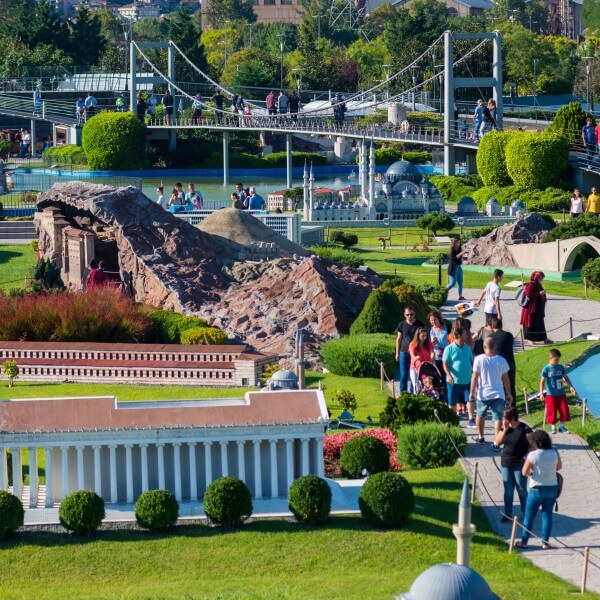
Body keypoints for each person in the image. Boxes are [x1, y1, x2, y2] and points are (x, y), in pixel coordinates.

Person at [516, 430, 561, 550]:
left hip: (537, 489)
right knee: (547, 515)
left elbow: (524, 472)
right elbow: (559, 467)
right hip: (552, 488)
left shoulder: (533, 455)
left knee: (529, 515)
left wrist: (532, 473)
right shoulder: (554, 452)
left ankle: (524, 542)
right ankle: (545, 542)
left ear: (535, 442)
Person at [470, 336, 512, 445]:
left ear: (484, 347)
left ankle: (481, 437)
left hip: (483, 394)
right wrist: (509, 393)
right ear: (495, 347)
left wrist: (471, 392)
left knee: (480, 415)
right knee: (498, 418)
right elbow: (506, 378)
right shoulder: (501, 360)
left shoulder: (478, 359)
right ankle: (496, 441)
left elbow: (474, 377)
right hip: (498, 393)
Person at [495, 407, 532, 523]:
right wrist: (505, 430)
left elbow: (533, 446)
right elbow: (497, 442)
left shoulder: (525, 429)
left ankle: (526, 513)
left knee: (521, 489)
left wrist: (529, 461)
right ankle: (508, 513)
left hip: (519, 463)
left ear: (512, 417)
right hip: (506, 463)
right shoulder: (504, 428)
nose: (503, 419)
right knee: (508, 490)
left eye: (505, 417)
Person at [541, 348, 576, 434]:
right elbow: (542, 381)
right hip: (551, 394)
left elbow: (566, 378)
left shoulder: (560, 367)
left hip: (561, 393)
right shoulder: (546, 369)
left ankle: (562, 427)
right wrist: (541, 393)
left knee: (564, 410)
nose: (557, 361)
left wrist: (571, 387)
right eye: (555, 360)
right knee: (552, 411)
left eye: (558, 360)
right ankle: (553, 427)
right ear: (550, 358)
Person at [443, 324, 473, 420]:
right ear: (459, 336)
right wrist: (449, 375)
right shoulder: (449, 348)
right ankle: (452, 420)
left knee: (470, 400)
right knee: (452, 402)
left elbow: (471, 361)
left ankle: (471, 419)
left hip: (467, 380)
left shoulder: (467, 347)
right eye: (465, 334)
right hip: (453, 381)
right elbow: (445, 363)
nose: (467, 336)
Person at [395, 305, 423, 393]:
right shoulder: (401, 324)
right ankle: (403, 394)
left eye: (411, 314)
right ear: (404, 315)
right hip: (404, 352)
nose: (409, 316)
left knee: (414, 374)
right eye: (407, 315)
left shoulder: (419, 324)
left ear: (414, 314)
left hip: (415, 352)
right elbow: (399, 339)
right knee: (403, 374)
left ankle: (413, 392)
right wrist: (397, 353)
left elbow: (423, 338)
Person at [490, 317, 516, 402]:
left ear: (492, 326)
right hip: (509, 362)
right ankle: (512, 404)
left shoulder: (491, 337)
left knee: (499, 385)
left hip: (496, 364)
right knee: (511, 384)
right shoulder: (508, 335)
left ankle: (502, 403)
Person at [520, 271, 549, 345]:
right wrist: (539, 294)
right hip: (530, 309)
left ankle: (544, 338)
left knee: (540, 324)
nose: (542, 280)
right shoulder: (530, 284)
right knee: (531, 324)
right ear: (537, 277)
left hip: (537, 309)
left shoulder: (538, 284)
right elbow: (528, 294)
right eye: (541, 278)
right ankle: (531, 339)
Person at [408, 327, 434, 393]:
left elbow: (431, 352)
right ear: (418, 336)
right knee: (416, 385)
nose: (424, 338)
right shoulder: (412, 344)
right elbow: (412, 355)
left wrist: (432, 356)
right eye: (422, 336)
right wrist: (416, 358)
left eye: (425, 336)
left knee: (424, 384)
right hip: (415, 368)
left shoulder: (428, 344)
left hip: (425, 369)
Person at [428, 310, 448, 386]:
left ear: (438, 319)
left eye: (435, 319)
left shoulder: (445, 327)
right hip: (437, 355)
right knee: (439, 374)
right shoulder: (431, 331)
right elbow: (432, 344)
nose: (433, 322)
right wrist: (433, 343)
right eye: (431, 320)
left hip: (446, 353)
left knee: (446, 373)